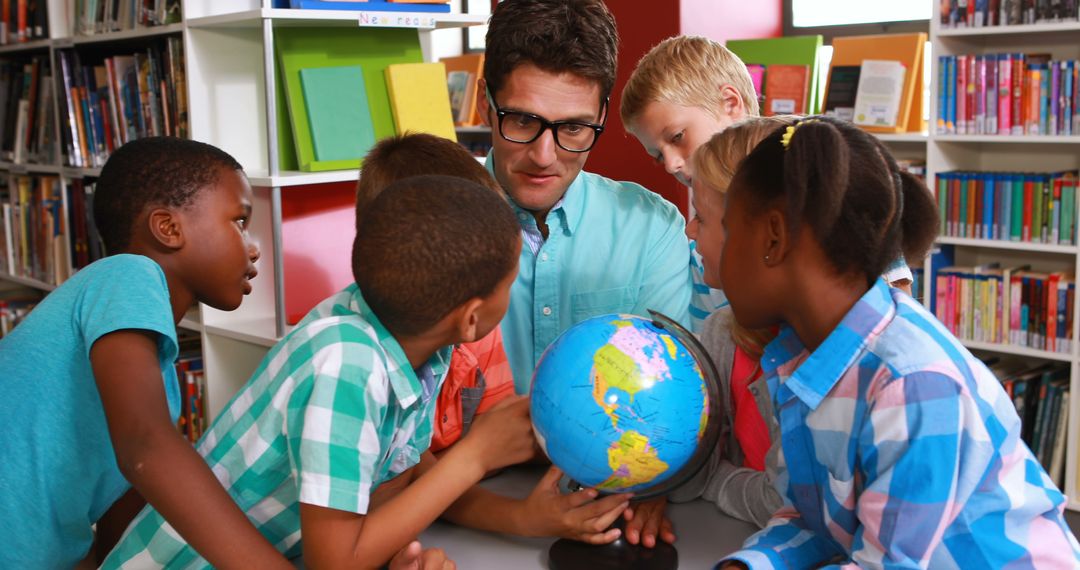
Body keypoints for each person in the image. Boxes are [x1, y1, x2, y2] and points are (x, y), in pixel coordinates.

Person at [102, 175, 535, 568]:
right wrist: (475, 456)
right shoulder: (346, 361)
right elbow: (336, 564)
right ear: (472, 319)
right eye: (509, 282)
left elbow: (373, 503)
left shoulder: (411, 344)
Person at [712, 116, 1080, 568]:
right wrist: (752, 564)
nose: (714, 248)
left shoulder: (913, 384)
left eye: (728, 230)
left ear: (774, 237)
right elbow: (817, 520)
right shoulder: (803, 362)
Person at [0, 137, 294, 568]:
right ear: (168, 228)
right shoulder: (127, 275)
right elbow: (145, 449)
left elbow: (124, 518)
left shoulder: (157, 379)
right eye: (239, 221)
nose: (253, 247)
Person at [338, 133, 632, 544]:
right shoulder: (354, 364)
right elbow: (421, 480)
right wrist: (514, 512)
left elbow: (498, 444)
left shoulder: (469, 337)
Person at [620, 36, 914, 332]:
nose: (671, 163)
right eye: (658, 155)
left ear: (731, 104)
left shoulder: (829, 197)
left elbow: (895, 324)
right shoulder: (702, 241)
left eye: (677, 137)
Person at [477, 0, 693, 393]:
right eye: (523, 121)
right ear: (484, 105)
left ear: (601, 117)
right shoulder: (423, 223)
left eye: (574, 128)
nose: (544, 157)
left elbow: (668, 397)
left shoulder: (652, 229)